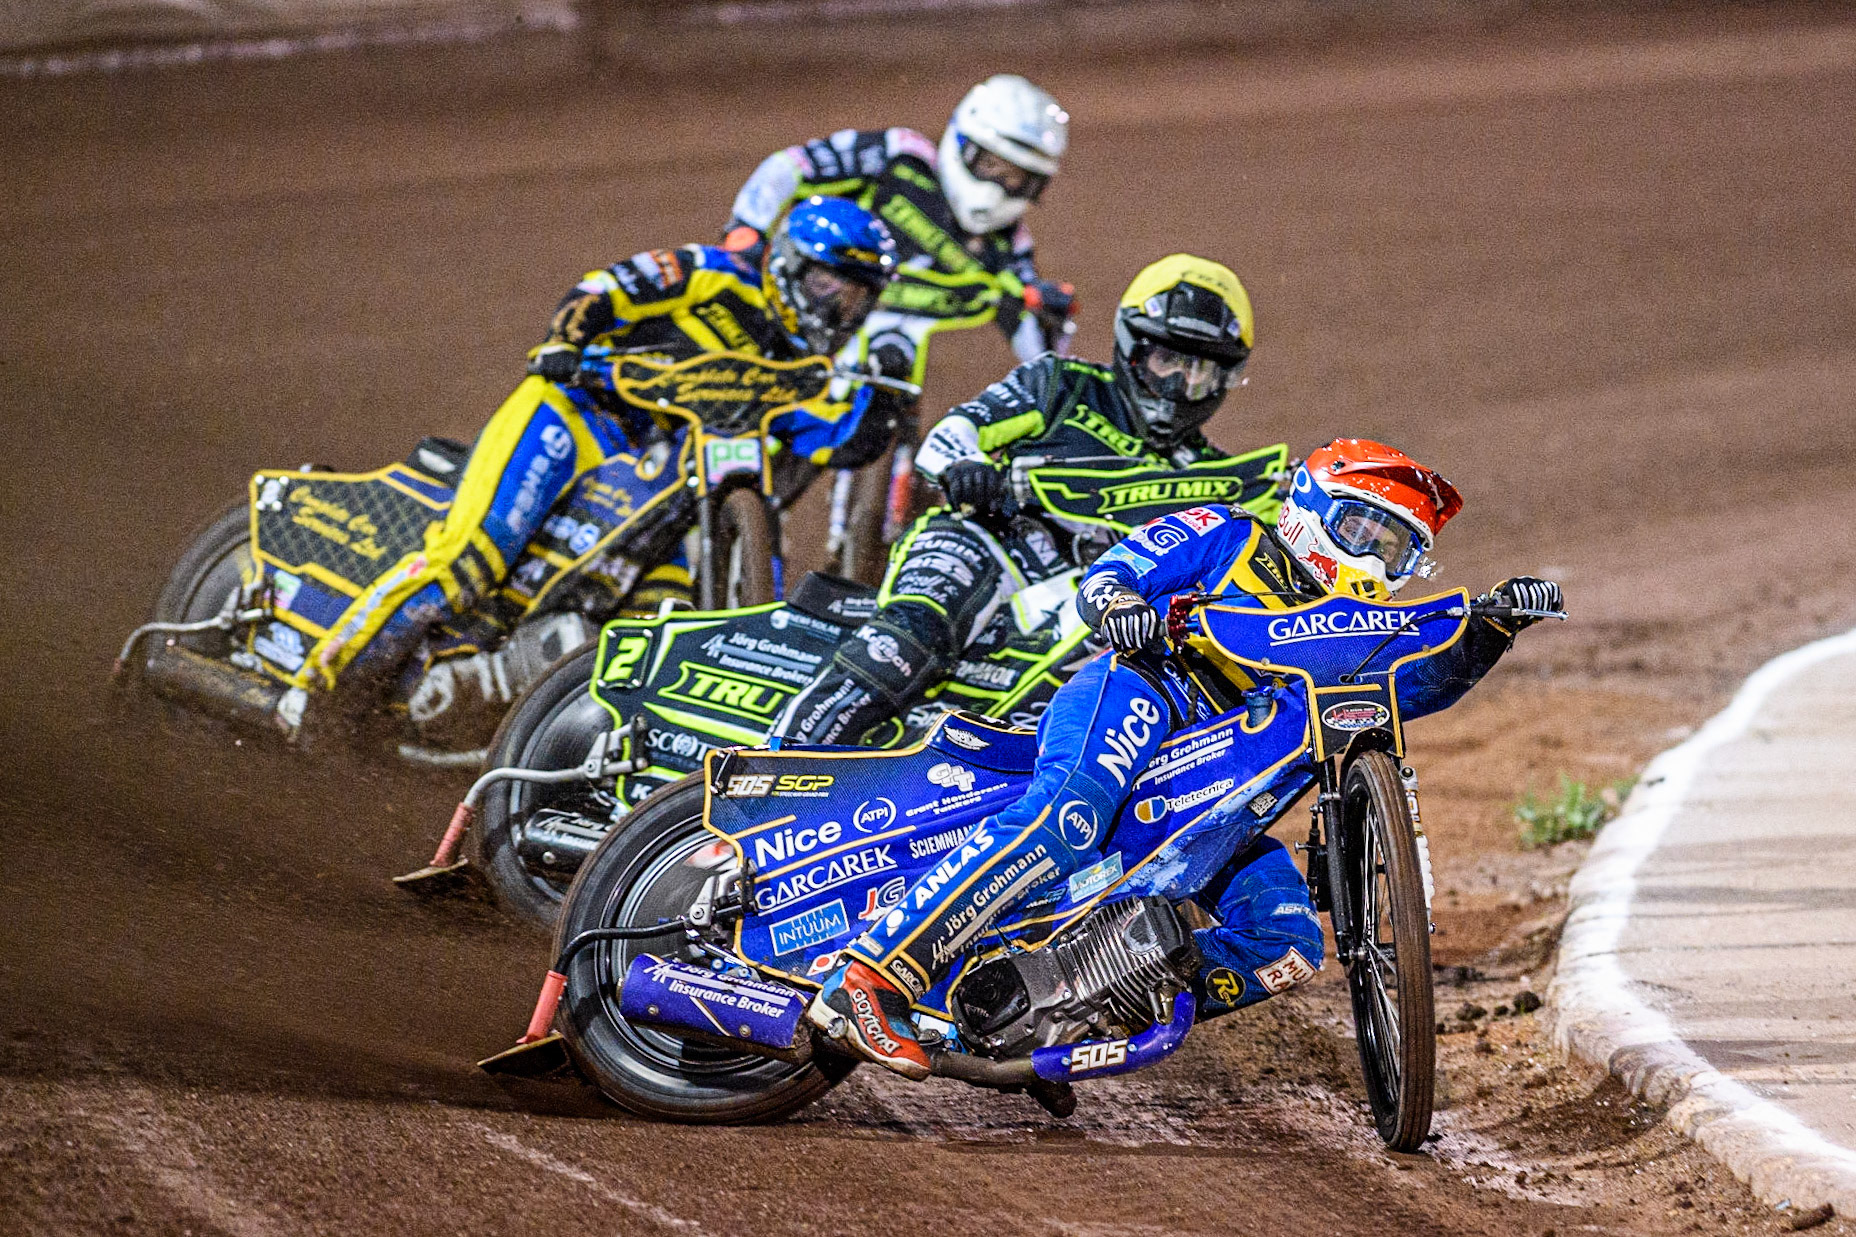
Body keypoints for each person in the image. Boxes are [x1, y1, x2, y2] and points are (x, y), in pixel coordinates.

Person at [806, 438, 1565, 1078]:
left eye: (1396, 545)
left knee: (1289, 944)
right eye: (1362, 527)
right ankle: (866, 974)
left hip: (1220, 803)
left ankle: (1065, 1001)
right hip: (1145, 693)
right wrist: (1118, 605)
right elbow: (1115, 573)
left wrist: (1489, 632)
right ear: (1309, 507)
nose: (1373, 553)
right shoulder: (1231, 533)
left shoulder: (1361, 632)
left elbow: (1414, 688)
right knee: (1068, 820)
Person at [285, 197, 898, 713]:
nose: (839, 310)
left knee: (656, 615)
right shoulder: (716, 273)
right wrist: (567, 340)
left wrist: (879, 413)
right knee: (469, 557)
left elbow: (825, 438)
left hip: (658, 472)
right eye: (828, 287)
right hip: (574, 413)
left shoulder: (801, 366)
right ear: (791, 262)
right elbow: (608, 287)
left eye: (856, 300)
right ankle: (315, 691)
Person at [770, 253, 1268, 749]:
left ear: (1225, 378)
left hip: (1088, 603)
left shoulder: (1215, 476)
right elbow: (954, 432)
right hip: (991, 541)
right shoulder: (1062, 385)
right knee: (906, 640)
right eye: (1168, 361)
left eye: (1199, 370)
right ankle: (780, 758)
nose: (1180, 385)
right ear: (1133, 349)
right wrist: (965, 465)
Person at [724, 75, 1079, 540]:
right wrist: (745, 233)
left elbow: (1040, 351)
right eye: (993, 165)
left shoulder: (1009, 247)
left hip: (897, 367)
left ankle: (874, 536)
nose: (1001, 186)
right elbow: (788, 167)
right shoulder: (899, 156)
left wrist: (1061, 374)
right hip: (812, 315)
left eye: (1019, 179)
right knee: (754, 410)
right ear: (962, 143)